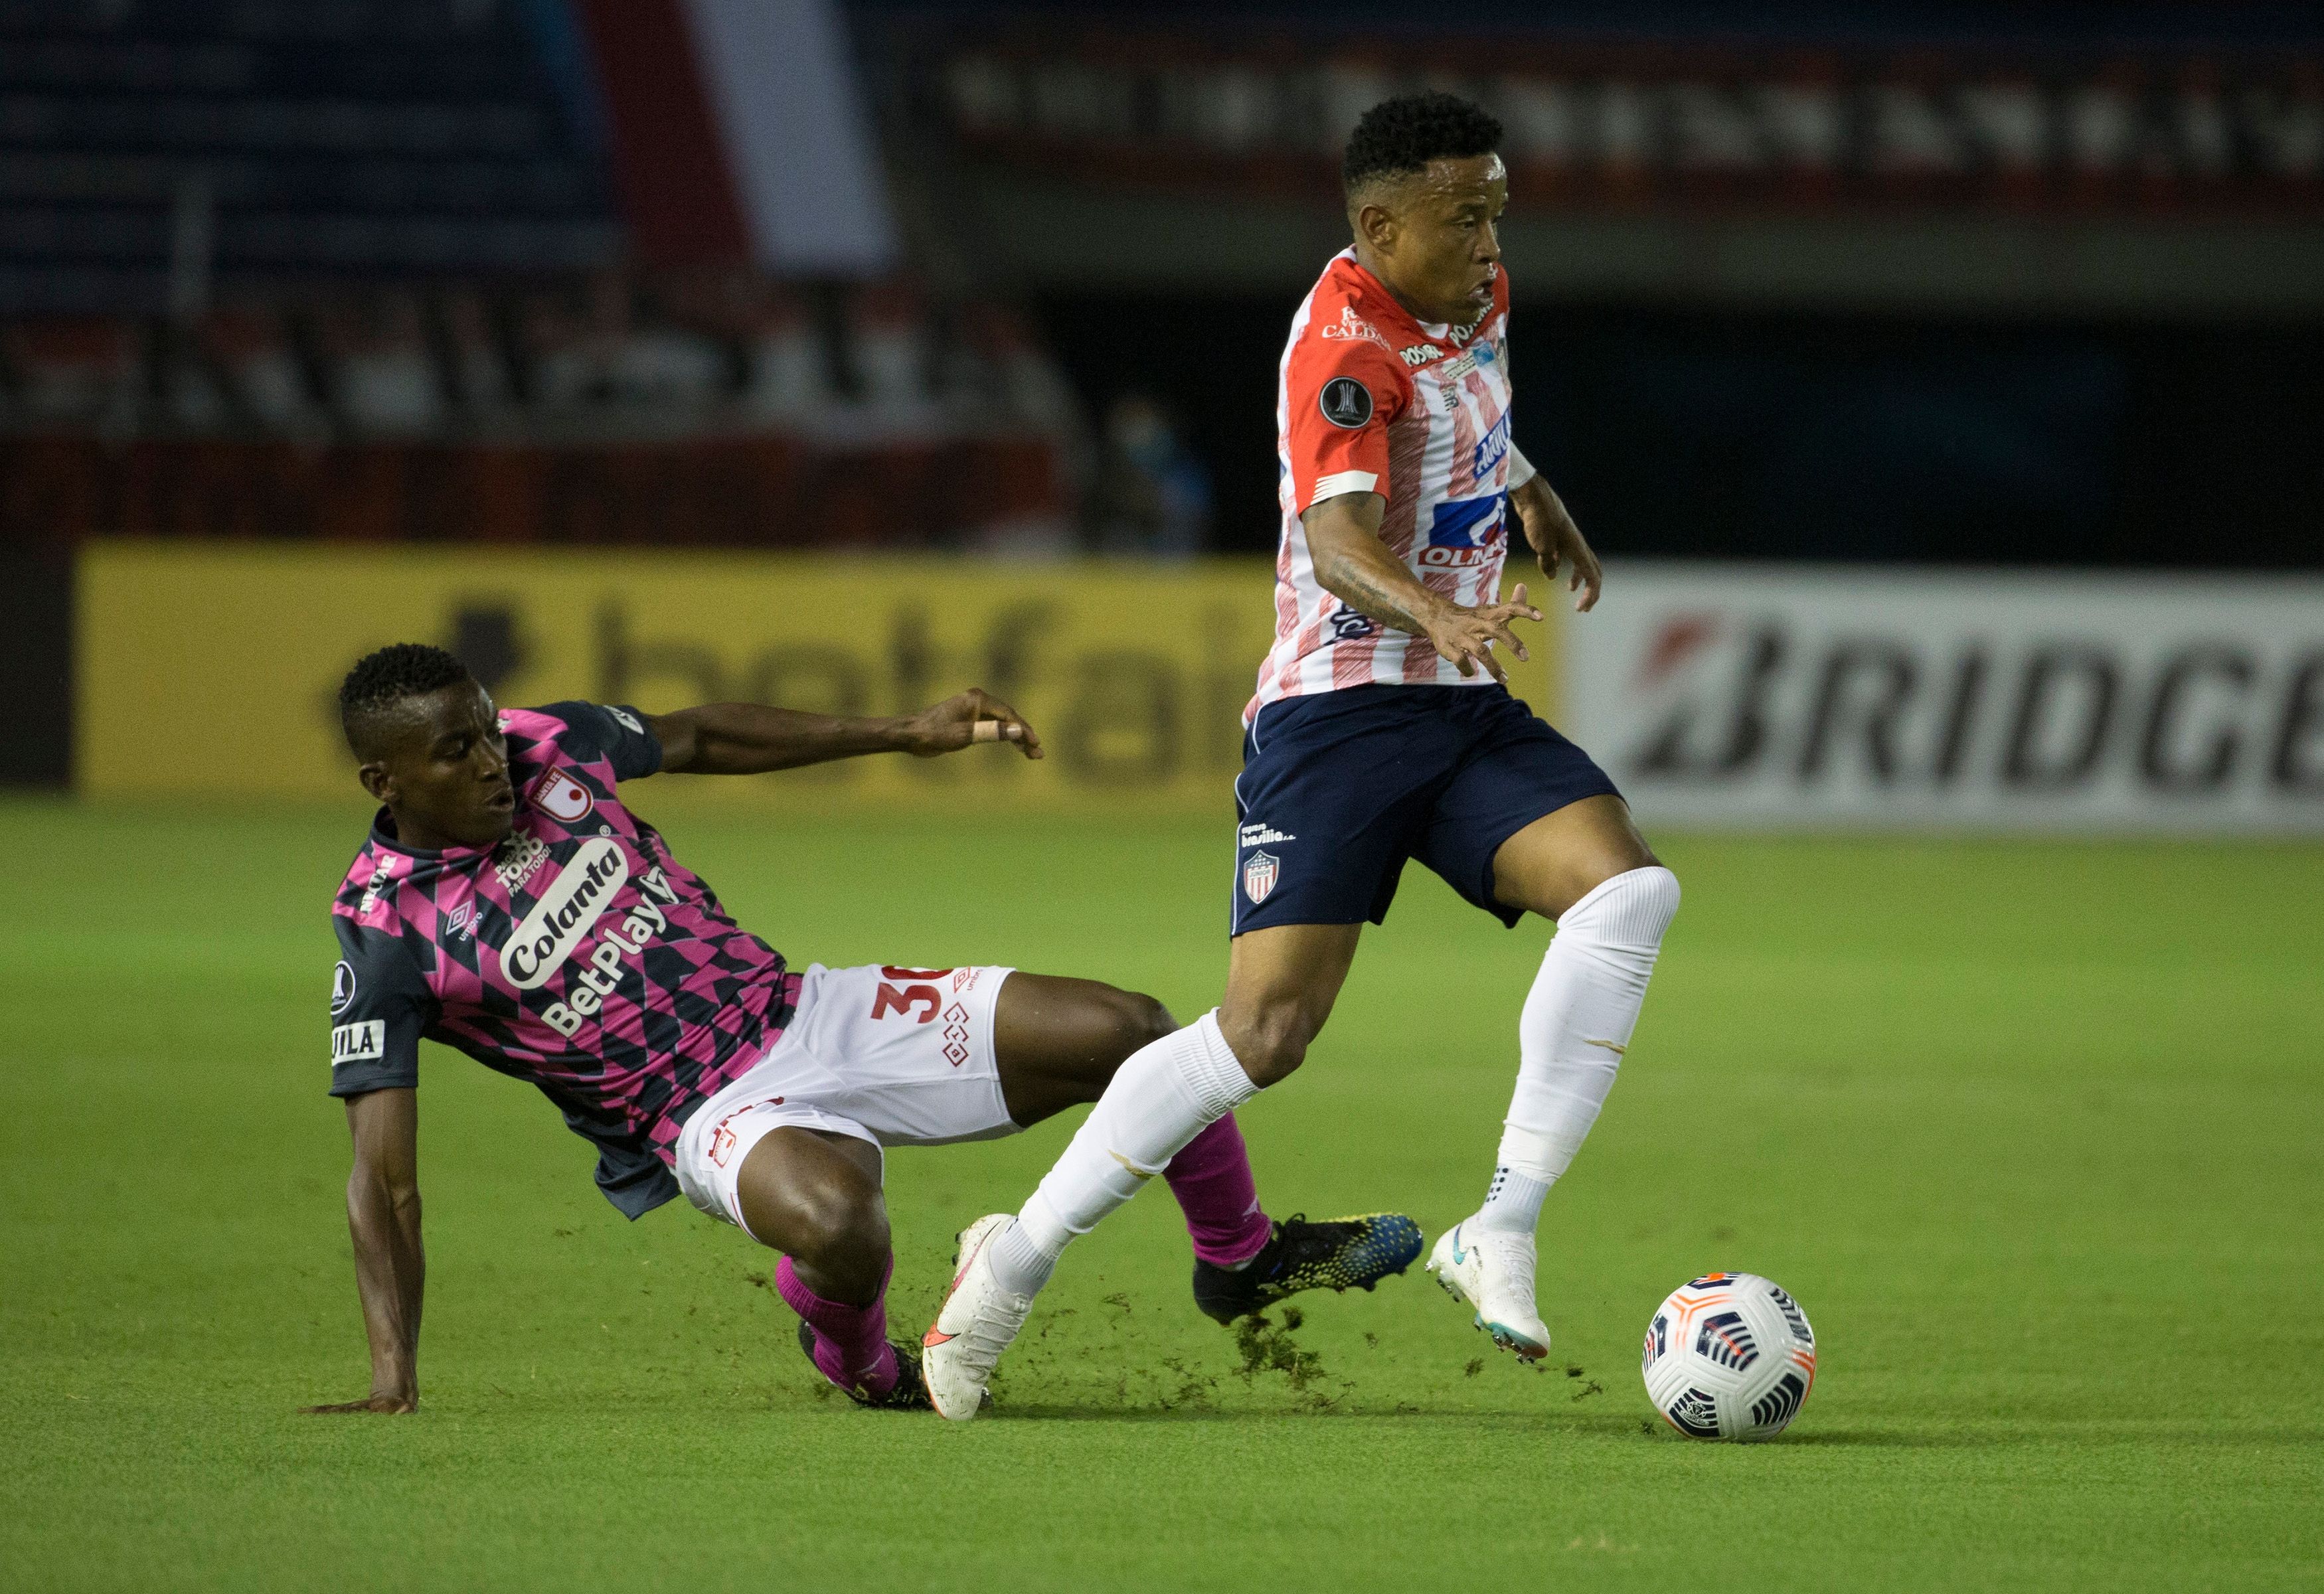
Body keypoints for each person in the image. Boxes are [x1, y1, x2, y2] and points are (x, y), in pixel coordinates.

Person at [921, 92, 1681, 1421]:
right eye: (1465, 215)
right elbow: (1336, 540)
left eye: (1498, 206)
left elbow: (1472, 410)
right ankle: (1012, 1260)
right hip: (1335, 713)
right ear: (1379, 224)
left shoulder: (1471, 295)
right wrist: (1440, 608)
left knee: (1627, 891)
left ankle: (1500, 1221)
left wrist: (1529, 491)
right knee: (1265, 1032)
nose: (1492, 238)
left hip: (1451, 710)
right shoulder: (1341, 344)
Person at [307, 643, 1418, 1416]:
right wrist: (393, 1370)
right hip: (703, 1113)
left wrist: (903, 729)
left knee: (1133, 1029)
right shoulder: (387, 929)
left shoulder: (551, 744)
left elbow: (701, 736)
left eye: (487, 730)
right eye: (455, 752)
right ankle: (866, 1361)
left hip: (810, 1009)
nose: (493, 759)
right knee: (846, 1221)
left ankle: (1242, 1257)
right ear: (383, 779)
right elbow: (382, 1179)